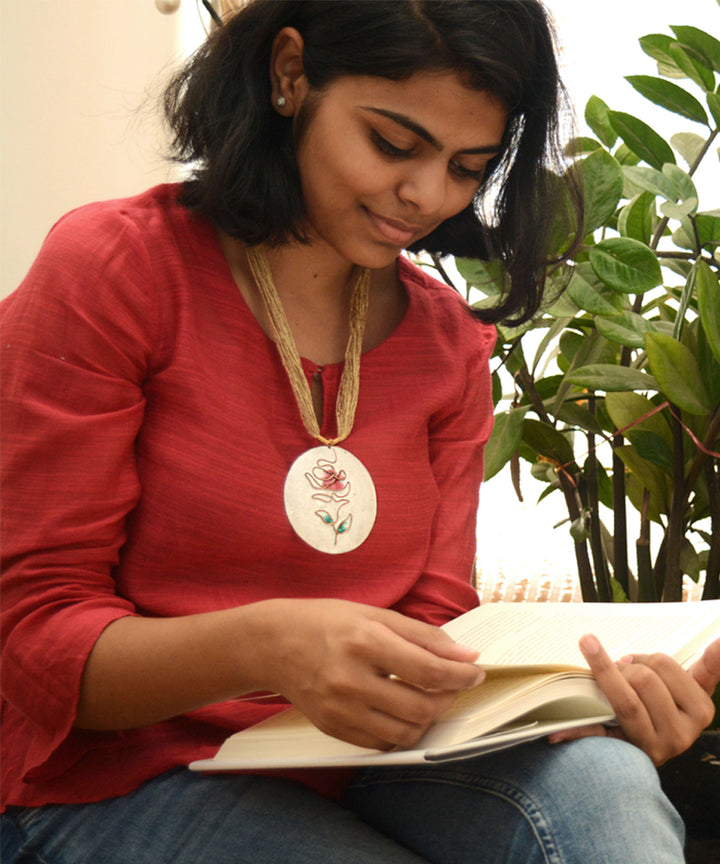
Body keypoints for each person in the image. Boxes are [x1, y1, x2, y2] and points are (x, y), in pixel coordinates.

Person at [2, 2, 718, 862]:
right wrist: (270, 646)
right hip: (110, 778)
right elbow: (36, 643)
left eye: (467, 166)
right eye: (392, 144)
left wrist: (566, 705)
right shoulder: (115, 273)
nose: (427, 196)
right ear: (290, 74)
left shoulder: (445, 343)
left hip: (366, 763)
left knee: (606, 784)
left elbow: (435, 620)